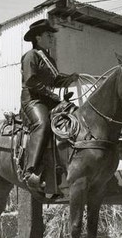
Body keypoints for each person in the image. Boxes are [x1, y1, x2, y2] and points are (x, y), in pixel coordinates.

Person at [20, 19, 79, 192]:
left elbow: (56, 80)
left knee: (72, 116)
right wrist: (51, 94)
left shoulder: (49, 59)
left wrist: (70, 78)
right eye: (48, 35)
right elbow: (30, 81)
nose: (51, 38)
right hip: (32, 100)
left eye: (51, 35)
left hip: (47, 100)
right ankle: (29, 171)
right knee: (43, 124)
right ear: (38, 38)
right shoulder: (31, 56)